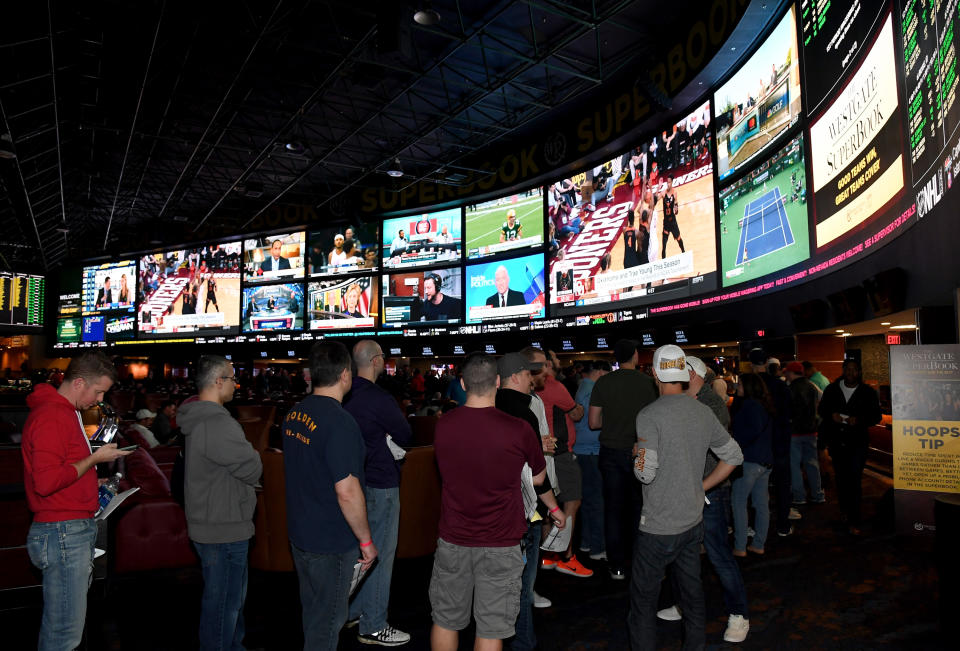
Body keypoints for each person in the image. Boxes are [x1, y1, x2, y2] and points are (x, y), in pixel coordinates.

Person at [430, 353, 548, 651]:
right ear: (497, 382)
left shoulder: (444, 425)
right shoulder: (517, 429)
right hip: (500, 542)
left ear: (461, 383)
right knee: (491, 628)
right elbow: (537, 478)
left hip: (454, 538)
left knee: (445, 620)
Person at [628, 345, 743, 651]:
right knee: (692, 599)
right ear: (682, 372)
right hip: (692, 523)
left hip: (657, 527)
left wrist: (637, 454)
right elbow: (733, 456)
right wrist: (701, 486)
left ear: (655, 374)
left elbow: (645, 473)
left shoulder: (649, 414)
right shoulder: (703, 411)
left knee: (642, 607)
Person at [23, 351, 132, 651]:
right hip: (63, 532)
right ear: (79, 382)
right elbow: (45, 482)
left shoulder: (63, 412)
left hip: (66, 529)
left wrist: (90, 478)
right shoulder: (52, 415)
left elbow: (61, 470)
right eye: (98, 391)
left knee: (66, 629)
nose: (98, 399)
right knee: (64, 635)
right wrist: (96, 458)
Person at [284, 342, 378, 650]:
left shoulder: (294, 414)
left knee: (313, 616)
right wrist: (366, 541)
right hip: (331, 544)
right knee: (326, 627)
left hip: (301, 535)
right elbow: (347, 491)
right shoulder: (340, 422)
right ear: (345, 375)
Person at [656, 358, 750, 643]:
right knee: (680, 554)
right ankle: (683, 604)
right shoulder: (682, 401)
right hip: (682, 490)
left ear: (692, 374)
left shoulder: (711, 403)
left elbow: (710, 446)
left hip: (710, 489)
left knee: (718, 554)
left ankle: (739, 614)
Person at [180, 355, 262, 651]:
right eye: (231, 377)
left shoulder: (197, 419)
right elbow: (253, 467)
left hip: (211, 523)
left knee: (226, 604)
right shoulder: (217, 423)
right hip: (224, 529)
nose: (235, 383)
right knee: (223, 608)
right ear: (218, 382)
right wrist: (254, 455)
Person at [494, 352, 566, 651]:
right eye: (528, 374)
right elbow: (536, 476)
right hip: (525, 511)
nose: (532, 379)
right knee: (522, 584)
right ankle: (522, 642)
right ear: (514, 377)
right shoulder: (523, 414)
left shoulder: (487, 407)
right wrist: (553, 508)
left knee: (496, 586)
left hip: (492, 509)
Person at [343, 340, 413, 646]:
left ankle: (356, 610)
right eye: (383, 356)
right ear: (374, 361)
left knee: (362, 553)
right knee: (380, 554)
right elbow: (406, 434)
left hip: (352, 483)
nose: (385, 361)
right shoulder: (379, 398)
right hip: (382, 483)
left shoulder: (343, 395)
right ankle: (374, 624)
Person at [588, 339, 658, 580]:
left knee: (614, 509)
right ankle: (642, 562)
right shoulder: (649, 383)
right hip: (641, 451)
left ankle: (617, 565)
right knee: (641, 508)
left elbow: (593, 422)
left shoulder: (604, 382)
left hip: (611, 452)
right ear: (636, 356)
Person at [531, 348, 590, 578]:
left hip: (540, 453)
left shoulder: (529, 387)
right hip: (560, 453)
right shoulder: (554, 385)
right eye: (553, 358)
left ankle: (547, 556)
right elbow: (575, 414)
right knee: (571, 504)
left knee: (546, 507)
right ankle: (566, 556)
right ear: (546, 364)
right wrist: (581, 407)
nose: (557, 360)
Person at [818, 359, 881, 536]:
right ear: (843, 370)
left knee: (854, 480)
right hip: (837, 442)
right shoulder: (832, 389)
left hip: (857, 443)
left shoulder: (867, 392)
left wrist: (859, 420)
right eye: (848, 369)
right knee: (841, 479)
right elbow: (822, 409)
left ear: (859, 372)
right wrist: (832, 415)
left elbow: (876, 416)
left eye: (854, 370)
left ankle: (854, 518)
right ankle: (844, 512)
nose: (851, 373)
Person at [730, 373, 774, 557]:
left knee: (739, 502)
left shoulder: (749, 406)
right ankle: (758, 544)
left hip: (749, 460)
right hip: (765, 461)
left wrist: (735, 443)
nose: (736, 387)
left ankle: (740, 546)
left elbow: (749, 431)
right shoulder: (765, 405)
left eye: (739, 384)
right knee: (761, 504)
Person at [572, 360, 611, 561]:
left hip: (582, 451)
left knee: (587, 501)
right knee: (596, 502)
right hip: (591, 452)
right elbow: (594, 422)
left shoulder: (583, 386)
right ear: (599, 372)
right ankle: (597, 548)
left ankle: (587, 543)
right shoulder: (593, 389)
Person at [784, 361, 825, 505]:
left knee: (794, 466)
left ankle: (799, 496)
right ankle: (818, 494)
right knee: (812, 464)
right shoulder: (812, 386)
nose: (786, 375)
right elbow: (822, 400)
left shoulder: (789, 388)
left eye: (787, 372)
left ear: (791, 373)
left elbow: (787, 411)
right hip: (811, 431)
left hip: (794, 432)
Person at [660, 177, 685, 258]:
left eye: (669, 182)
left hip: (673, 222)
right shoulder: (663, 193)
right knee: (664, 245)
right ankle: (663, 261)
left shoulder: (675, 193)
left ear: (672, 183)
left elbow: (676, 207)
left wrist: (676, 208)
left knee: (679, 239)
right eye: (667, 182)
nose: (668, 184)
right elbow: (656, 198)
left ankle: (683, 252)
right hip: (666, 222)